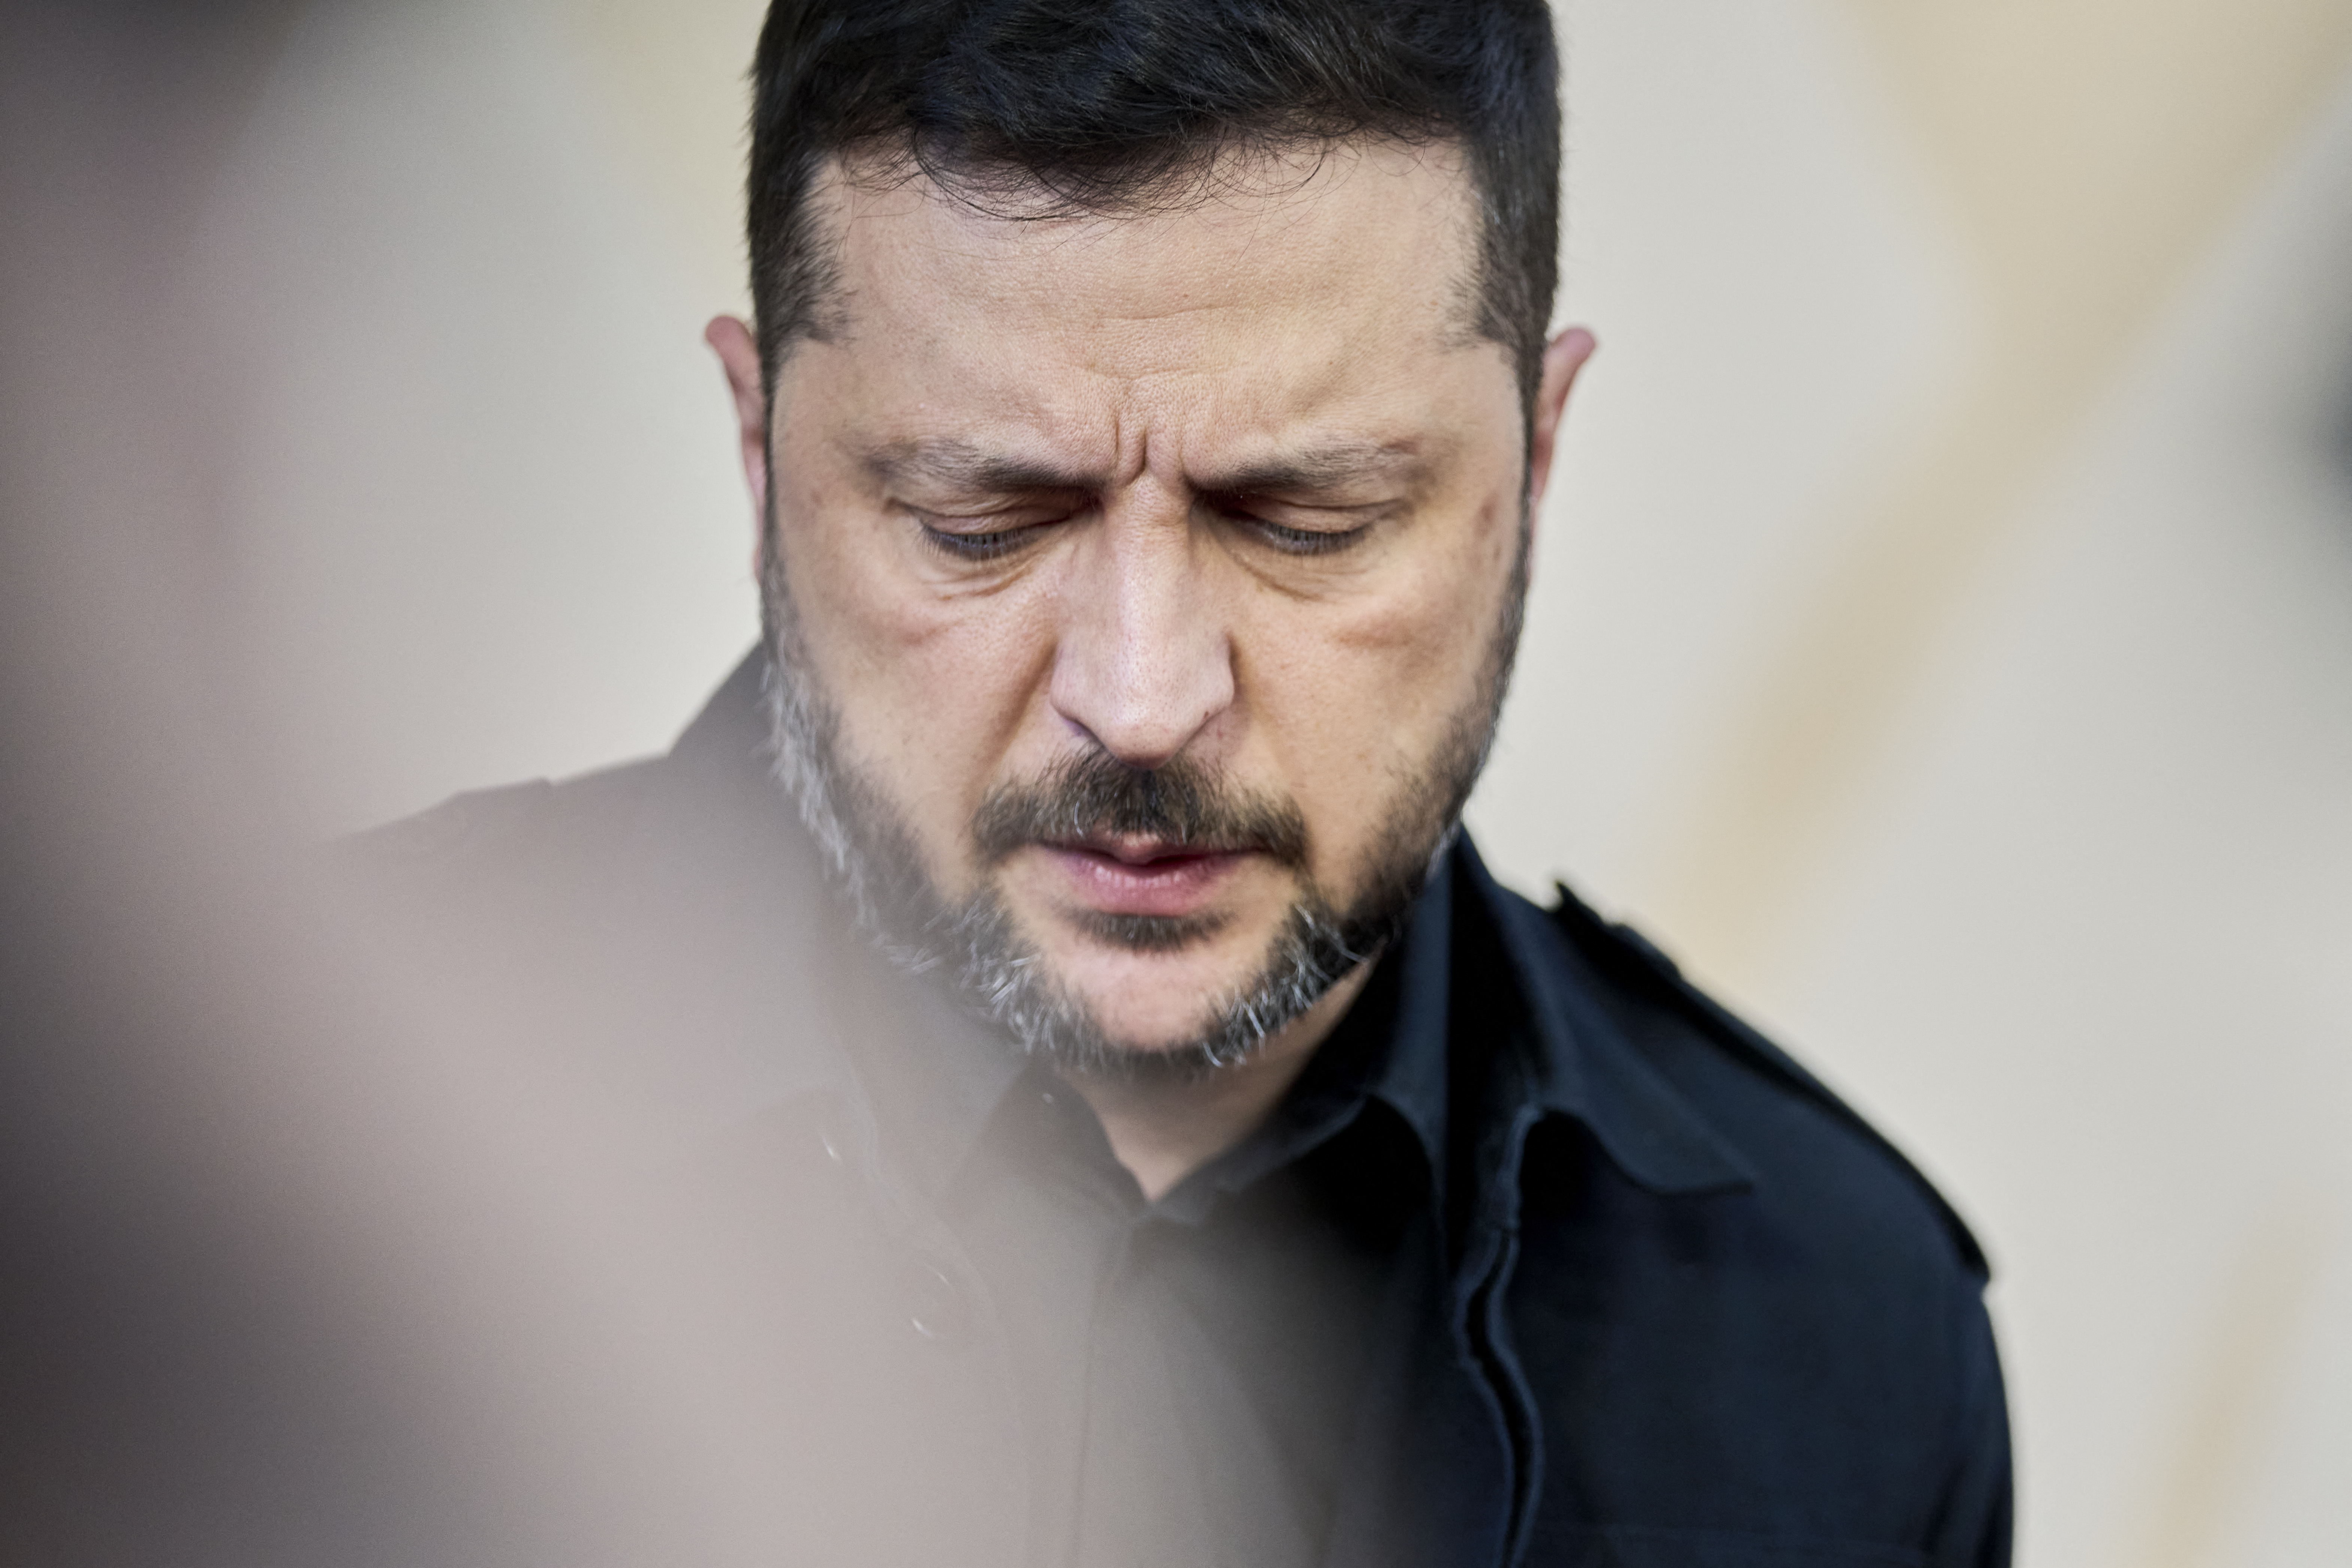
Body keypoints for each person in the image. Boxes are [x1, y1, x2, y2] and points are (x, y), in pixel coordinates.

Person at [352, 1, 2011, 1564]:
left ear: (1541, 454)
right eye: (979, 524)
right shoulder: (240, 1158)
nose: (1141, 702)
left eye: (1309, 524)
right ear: (759, 449)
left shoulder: (1836, 1322)